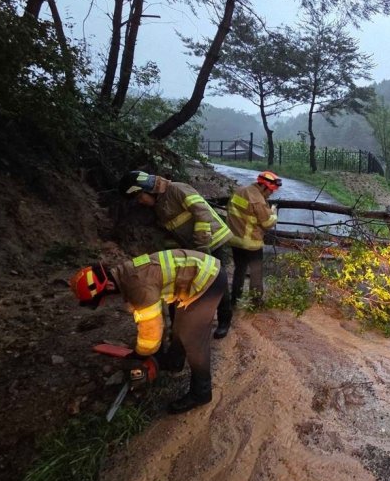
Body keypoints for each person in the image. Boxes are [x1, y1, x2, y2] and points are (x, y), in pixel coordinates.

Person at [69, 249, 227, 414]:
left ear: (108, 285)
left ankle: (201, 393)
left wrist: (141, 353)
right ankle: (174, 362)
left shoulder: (137, 286)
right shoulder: (124, 274)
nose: (105, 301)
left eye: (102, 297)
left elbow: (152, 329)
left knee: (194, 340)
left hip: (209, 280)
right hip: (197, 278)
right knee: (180, 327)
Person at [118, 171, 235, 338]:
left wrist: (202, 248)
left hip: (211, 239)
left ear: (147, 189)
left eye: (139, 197)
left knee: (216, 279)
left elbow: (203, 214)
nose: (141, 202)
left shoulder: (178, 189)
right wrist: (174, 255)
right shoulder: (159, 204)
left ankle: (225, 319)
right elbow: (171, 232)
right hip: (192, 245)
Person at [226, 170, 281, 316]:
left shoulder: (240, 191)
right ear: (263, 186)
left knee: (240, 269)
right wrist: (274, 212)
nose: (271, 194)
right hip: (251, 242)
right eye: (271, 190)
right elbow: (267, 223)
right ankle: (256, 301)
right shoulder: (258, 200)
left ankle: (234, 298)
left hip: (234, 239)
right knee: (256, 271)